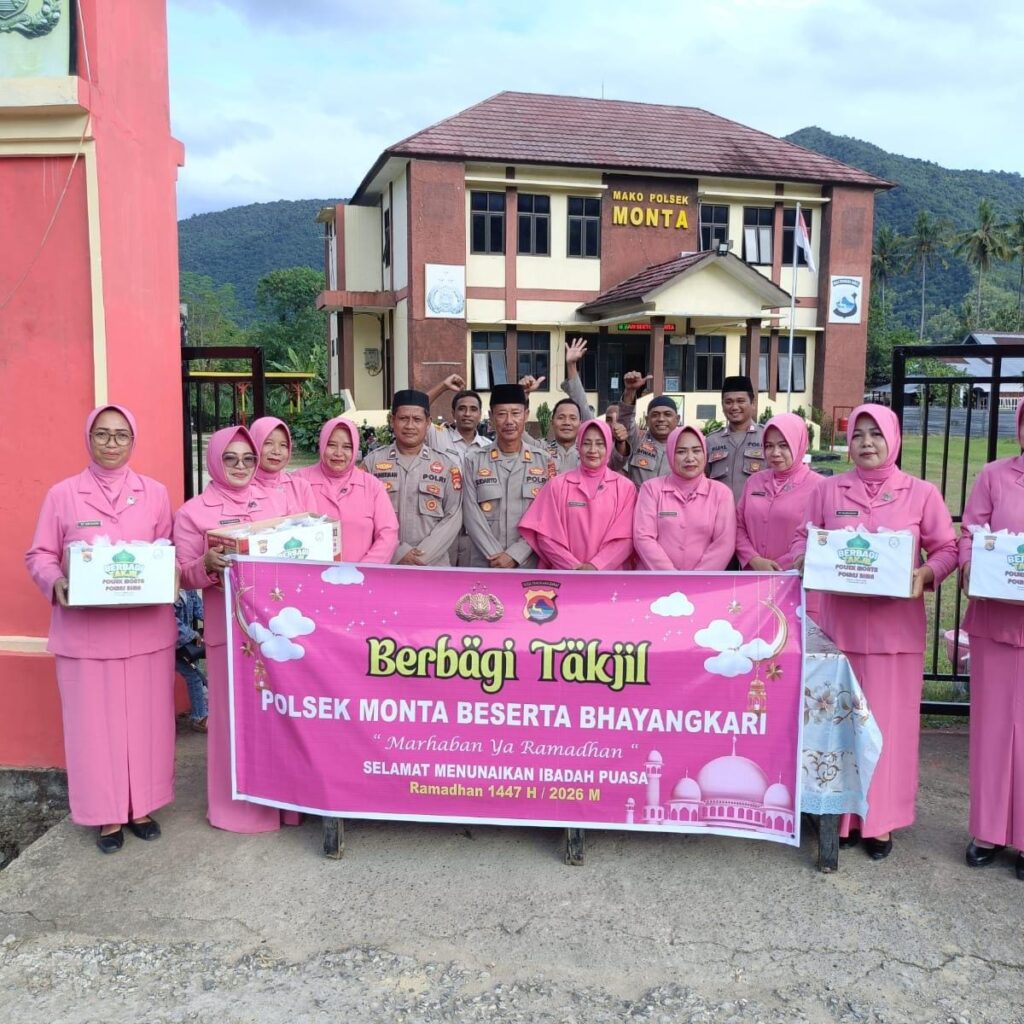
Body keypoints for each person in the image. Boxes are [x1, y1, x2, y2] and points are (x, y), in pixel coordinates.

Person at [791, 404, 958, 860]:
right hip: (839, 629)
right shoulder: (828, 490)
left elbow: (946, 547)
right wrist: (805, 557)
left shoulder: (921, 493)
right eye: (858, 434)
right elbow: (803, 537)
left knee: (888, 728)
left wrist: (926, 574)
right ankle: (840, 817)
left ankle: (880, 821)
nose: (866, 442)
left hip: (894, 635)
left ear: (893, 439)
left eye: (876, 434)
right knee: (837, 724)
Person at [26, 405, 176, 853]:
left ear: (133, 441)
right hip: (86, 635)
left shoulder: (154, 493)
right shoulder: (63, 494)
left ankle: (142, 806)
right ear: (89, 438)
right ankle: (106, 815)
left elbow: (166, 548)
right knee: (93, 728)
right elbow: (39, 554)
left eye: (121, 435)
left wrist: (168, 573)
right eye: (103, 434)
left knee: (147, 724)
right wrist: (56, 582)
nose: (112, 443)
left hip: (145, 631)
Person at [173, 426, 294, 833]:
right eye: (230, 458)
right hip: (228, 631)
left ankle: (284, 805)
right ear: (214, 461)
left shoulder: (276, 501)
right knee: (233, 720)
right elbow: (182, 575)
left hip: (276, 630)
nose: (240, 466)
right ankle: (236, 809)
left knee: (276, 716)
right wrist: (204, 565)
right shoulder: (193, 512)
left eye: (247, 459)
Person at [959, 398, 1024, 880]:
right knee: (992, 730)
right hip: (996, 622)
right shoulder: (994, 476)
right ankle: (987, 831)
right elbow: (969, 533)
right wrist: (970, 565)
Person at [735, 412, 824, 617]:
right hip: (754, 582)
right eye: (769, 446)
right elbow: (738, 526)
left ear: (800, 444)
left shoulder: (820, 487)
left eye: (784, 445)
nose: (775, 453)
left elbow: (821, 538)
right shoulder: (754, 482)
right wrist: (754, 559)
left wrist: (782, 566)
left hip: (798, 585)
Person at [361, 390, 463, 566]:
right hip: (386, 562)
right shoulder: (371, 463)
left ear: (428, 423)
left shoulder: (447, 466)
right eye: (403, 419)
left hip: (433, 564)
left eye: (417, 419)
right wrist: (397, 552)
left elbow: (454, 516)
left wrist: (422, 556)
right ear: (392, 420)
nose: (410, 426)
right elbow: (362, 514)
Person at [518, 420, 636, 570]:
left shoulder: (626, 488)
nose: (593, 450)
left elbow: (626, 538)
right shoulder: (557, 485)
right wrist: (573, 567)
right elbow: (545, 536)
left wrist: (597, 566)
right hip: (564, 575)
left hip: (610, 577)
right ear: (578, 446)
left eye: (600, 444)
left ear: (609, 447)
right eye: (586, 443)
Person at [463, 383, 557, 569]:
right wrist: (495, 555)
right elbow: (470, 512)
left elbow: (548, 516)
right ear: (491, 417)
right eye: (501, 414)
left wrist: (515, 555)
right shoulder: (473, 460)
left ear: (526, 415)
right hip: (485, 562)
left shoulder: (544, 461)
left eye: (515, 413)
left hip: (527, 563)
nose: (509, 421)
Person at [292, 417, 399, 563]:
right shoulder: (298, 481)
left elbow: (388, 534)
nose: (338, 453)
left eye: (347, 447)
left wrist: (361, 570)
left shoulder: (372, 486)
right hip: (310, 574)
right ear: (321, 445)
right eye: (331, 445)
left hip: (362, 574)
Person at [633, 424, 736, 571]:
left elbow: (724, 543)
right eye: (681, 451)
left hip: (704, 582)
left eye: (696, 450)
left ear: (705, 453)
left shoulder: (721, 493)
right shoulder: (651, 489)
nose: (690, 458)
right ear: (670, 454)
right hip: (656, 580)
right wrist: (671, 576)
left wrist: (695, 579)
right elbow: (643, 537)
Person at [706, 376, 766, 504]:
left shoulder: (767, 437)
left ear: (753, 403)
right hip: (720, 512)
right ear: (722, 405)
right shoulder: (711, 441)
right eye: (728, 402)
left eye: (740, 401)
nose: (734, 407)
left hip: (755, 512)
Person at [615, 371, 680, 486]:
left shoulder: (686, 446)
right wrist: (630, 391)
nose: (661, 419)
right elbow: (626, 421)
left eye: (667, 414)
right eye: (655, 415)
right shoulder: (637, 441)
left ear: (677, 419)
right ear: (647, 419)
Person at [249, 416, 318, 512]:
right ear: (253, 444)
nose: (277, 451)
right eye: (268, 443)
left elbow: (313, 520)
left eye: (283, 445)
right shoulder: (240, 488)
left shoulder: (301, 487)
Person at [174, 589, 208, 733]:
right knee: (194, 677)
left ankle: (201, 713)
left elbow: (200, 610)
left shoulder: (189, 590)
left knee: (196, 676)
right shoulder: (169, 591)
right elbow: (171, 621)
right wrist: (193, 634)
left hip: (185, 646)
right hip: (173, 646)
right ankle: (199, 717)